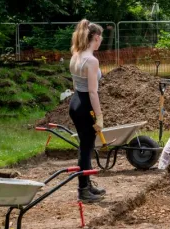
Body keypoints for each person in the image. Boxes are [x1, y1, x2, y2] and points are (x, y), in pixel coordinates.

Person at [68, 19, 106, 202]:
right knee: (86, 148)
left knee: (85, 146)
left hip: (75, 102)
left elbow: (76, 84)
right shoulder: (91, 61)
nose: (102, 41)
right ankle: (83, 190)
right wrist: (99, 116)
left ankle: (88, 184)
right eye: (101, 38)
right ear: (96, 37)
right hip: (85, 105)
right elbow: (92, 91)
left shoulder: (75, 54)